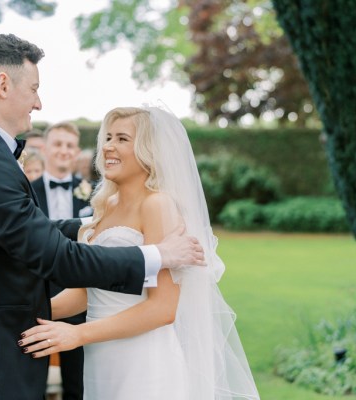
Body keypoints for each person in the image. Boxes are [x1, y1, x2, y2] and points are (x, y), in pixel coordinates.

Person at [0, 33, 205, 400]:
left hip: (128, 364)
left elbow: (24, 234)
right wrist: (159, 254)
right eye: (34, 88)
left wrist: (96, 228)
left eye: (122, 139)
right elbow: (53, 256)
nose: (38, 102)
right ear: (3, 84)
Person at [20, 106, 261, 399]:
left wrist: (78, 334)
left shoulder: (158, 205)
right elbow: (87, 292)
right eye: (107, 137)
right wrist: (27, 310)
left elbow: (163, 309)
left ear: (148, 151)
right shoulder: (105, 206)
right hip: (102, 358)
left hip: (143, 360)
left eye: (122, 138)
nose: (108, 146)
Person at [31, 121, 90, 400]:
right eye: (58, 144)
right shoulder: (25, 190)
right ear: (45, 148)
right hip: (36, 291)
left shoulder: (94, 193)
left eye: (69, 145)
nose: (64, 151)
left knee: (77, 383)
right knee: (30, 380)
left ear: (77, 151)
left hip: (82, 293)